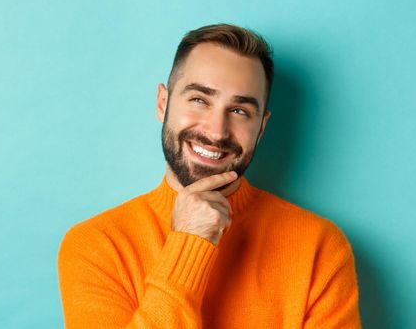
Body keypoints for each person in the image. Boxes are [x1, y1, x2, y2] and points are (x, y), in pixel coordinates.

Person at [58, 23, 361, 328]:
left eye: (240, 111)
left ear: (262, 128)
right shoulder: (95, 246)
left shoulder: (319, 247)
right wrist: (190, 242)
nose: (216, 131)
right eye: (200, 100)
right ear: (163, 104)